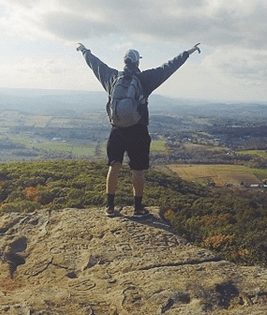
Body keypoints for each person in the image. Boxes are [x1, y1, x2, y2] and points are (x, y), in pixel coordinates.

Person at [76, 42, 201, 217]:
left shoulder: (112, 77)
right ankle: (138, 209)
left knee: (114, 166)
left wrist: (83, 50)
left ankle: (109, 206)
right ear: (137, 63)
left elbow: (94, 63)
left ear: (125, 61)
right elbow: (168, 67)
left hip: (117, 130)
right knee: (138, 170)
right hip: (138, 130)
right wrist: (187, 52)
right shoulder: (144, 79)